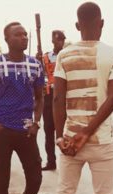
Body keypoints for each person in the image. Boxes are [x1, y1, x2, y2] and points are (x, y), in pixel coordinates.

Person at [53, 2, 113, 194]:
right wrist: (88, 132)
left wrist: (59, 136)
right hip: (101, 141)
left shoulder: (64, 56)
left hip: (70, 142)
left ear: (77, 25)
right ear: (101, 23)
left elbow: (57, 98)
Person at [0, 22, 44, 194]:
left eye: (25, 34)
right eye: (18, 34)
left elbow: (40, 97)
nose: (24, 37)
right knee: (1, 182)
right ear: (7, 39)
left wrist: (37, 123)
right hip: (2, 131)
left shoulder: (35, 64)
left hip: (26, 130)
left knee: (35, 178)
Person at [41, 30, 66, 171]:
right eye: (57, 40)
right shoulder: (45, 57)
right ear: (52, 41)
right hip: (49, 96)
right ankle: (51, 161)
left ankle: (66, 161)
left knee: (64, 131)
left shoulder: (67, 56)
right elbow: (41, 73)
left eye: (61, 40)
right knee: (48, 130)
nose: (60, 43)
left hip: (63, 97)